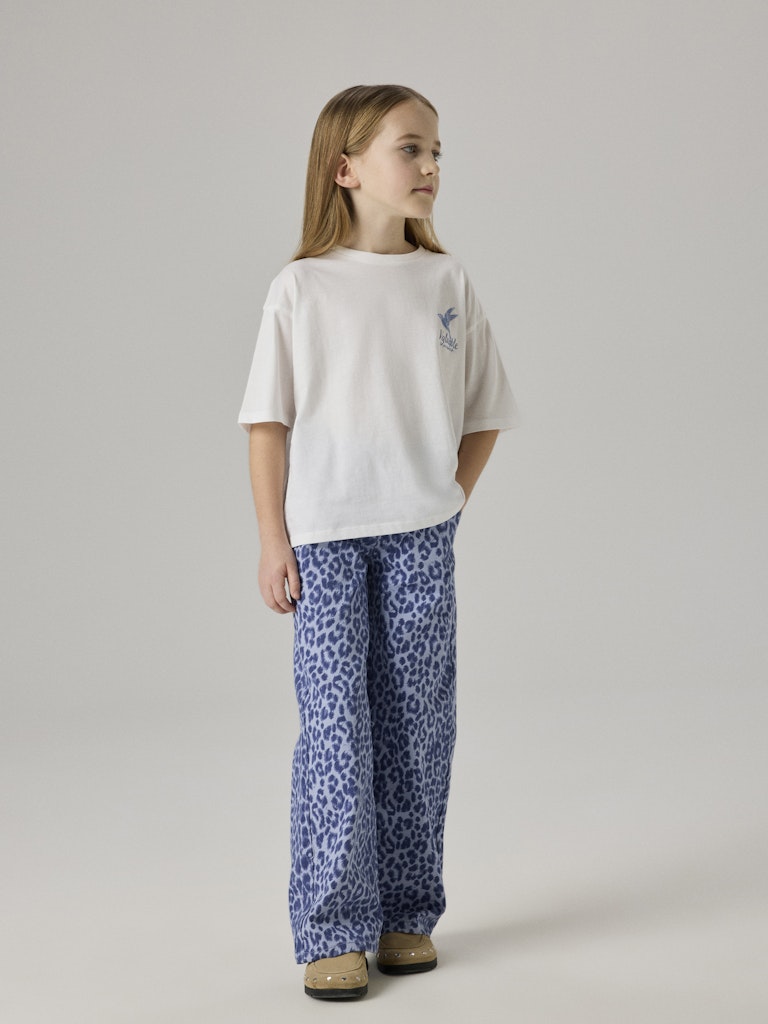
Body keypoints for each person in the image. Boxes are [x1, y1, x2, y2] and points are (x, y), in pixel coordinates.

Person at [238, 84, 519, 1000]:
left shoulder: (447, 283)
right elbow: (267, 423)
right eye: (411, 149)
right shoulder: (301, 288)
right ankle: (332, 928)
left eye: (437, 151)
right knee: (335, 733)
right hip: (324, 542)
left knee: (418, 729)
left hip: (420, 542)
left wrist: (447, 502)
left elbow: (485, 411)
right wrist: (273, 541)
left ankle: (405, 913)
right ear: (346, 168)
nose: (431, 166)